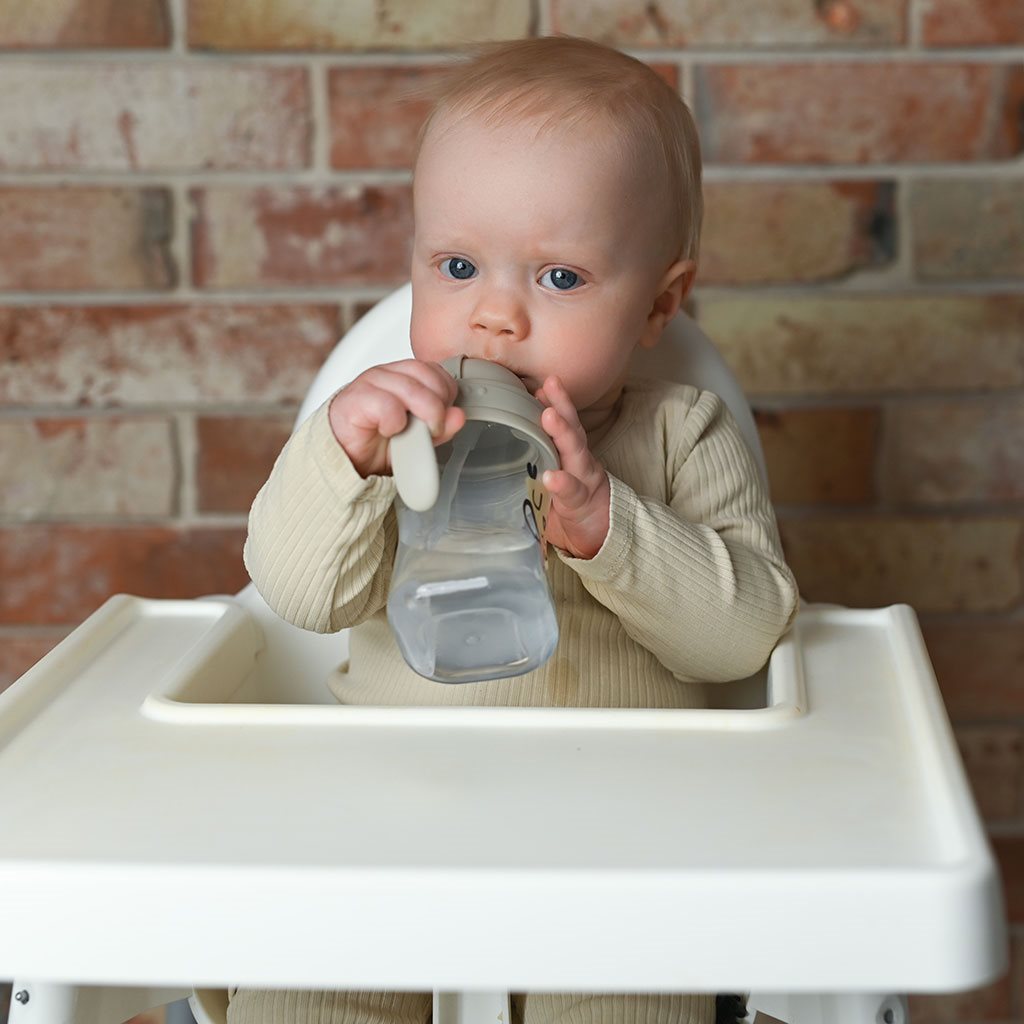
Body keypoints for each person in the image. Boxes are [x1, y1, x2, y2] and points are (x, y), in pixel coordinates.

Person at [237, 35, 798, 1024]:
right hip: (388, 819)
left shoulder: (681, 430)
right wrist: (343, 458)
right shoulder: (390, 440)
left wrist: (608, 526)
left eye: (561, 278)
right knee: (300, 989)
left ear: (660, 301)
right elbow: (294, 596)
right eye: (456, 265)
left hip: (619, 838)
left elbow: (744, 633)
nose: (492, 316)